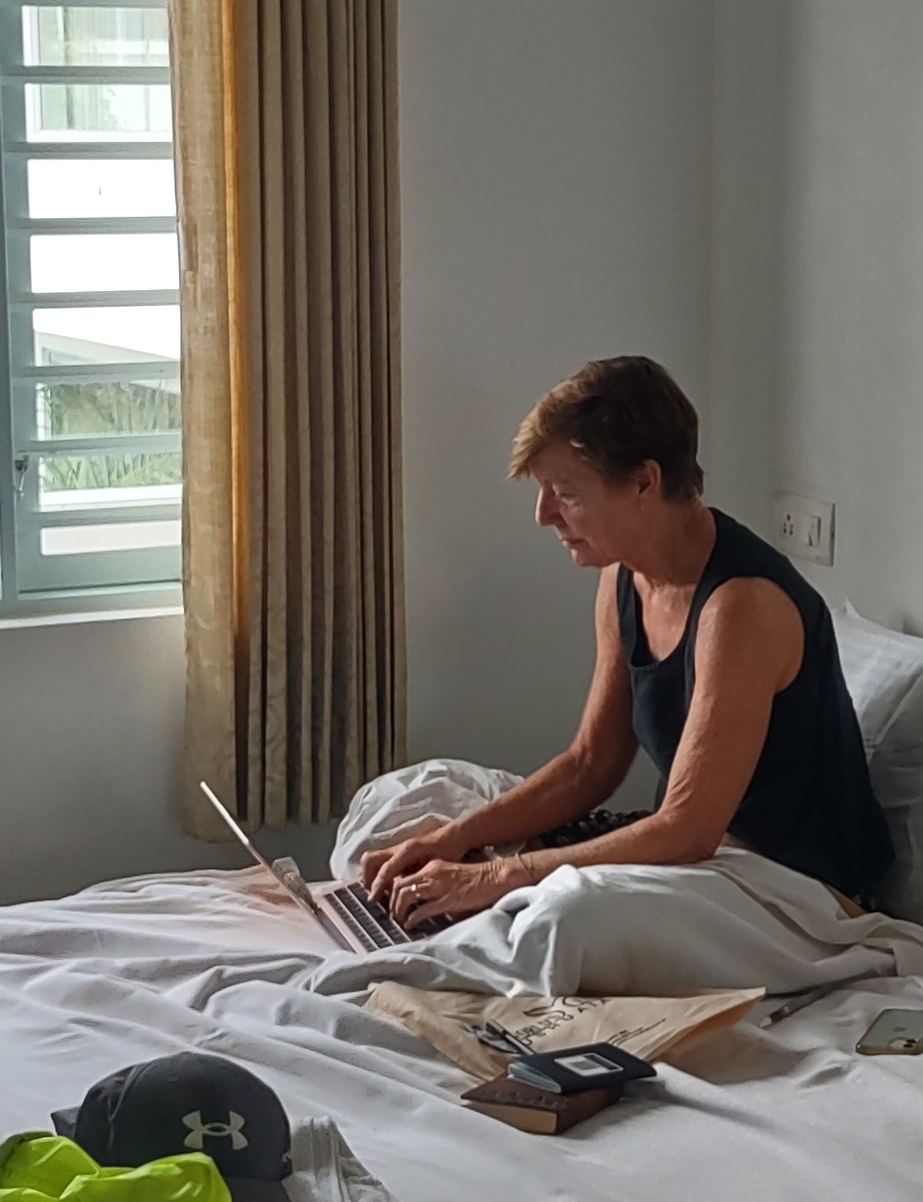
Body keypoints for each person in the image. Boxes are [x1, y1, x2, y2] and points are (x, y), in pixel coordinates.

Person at [362, 356, 893, 937]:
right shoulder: (623, 575)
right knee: (415, 821)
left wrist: (500, 876)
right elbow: (591, 763)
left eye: (565, 493)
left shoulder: (742, 607)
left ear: (644, 482)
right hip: (705, 857)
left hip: (794, 887)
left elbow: (687, 829)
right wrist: (455, 838)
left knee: (555, 909)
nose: (544, 515)